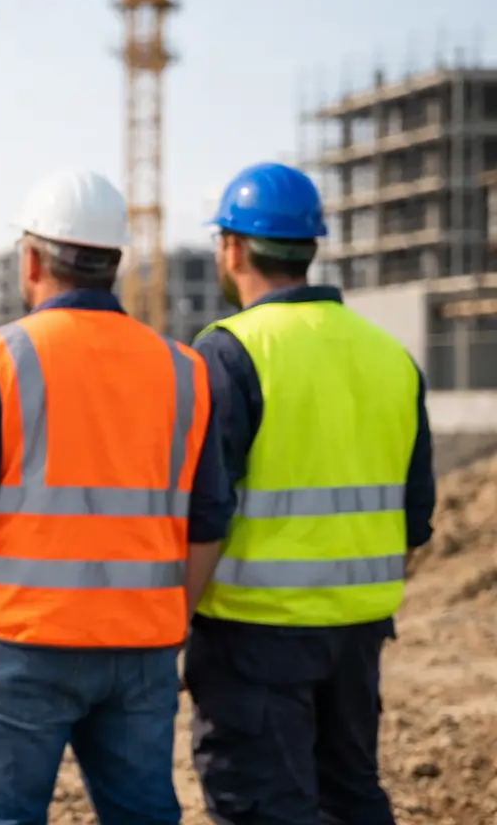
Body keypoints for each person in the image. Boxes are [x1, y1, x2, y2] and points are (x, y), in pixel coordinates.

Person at [0, 167, 233, 825]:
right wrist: (169, 620)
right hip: (140, 648)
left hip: (16, 642)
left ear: (31, 260)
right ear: (115, 263)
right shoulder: (185, 369)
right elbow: (208, 524)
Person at [185, 161, 436, 825]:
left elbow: (203, 512)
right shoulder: (391, 358)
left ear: (233, 248)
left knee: (264, 805)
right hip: (357, 637)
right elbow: (414, 519)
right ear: (310, 247)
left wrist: (172, 620)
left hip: (253, 637)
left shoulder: (229, 352)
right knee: (350, 796)